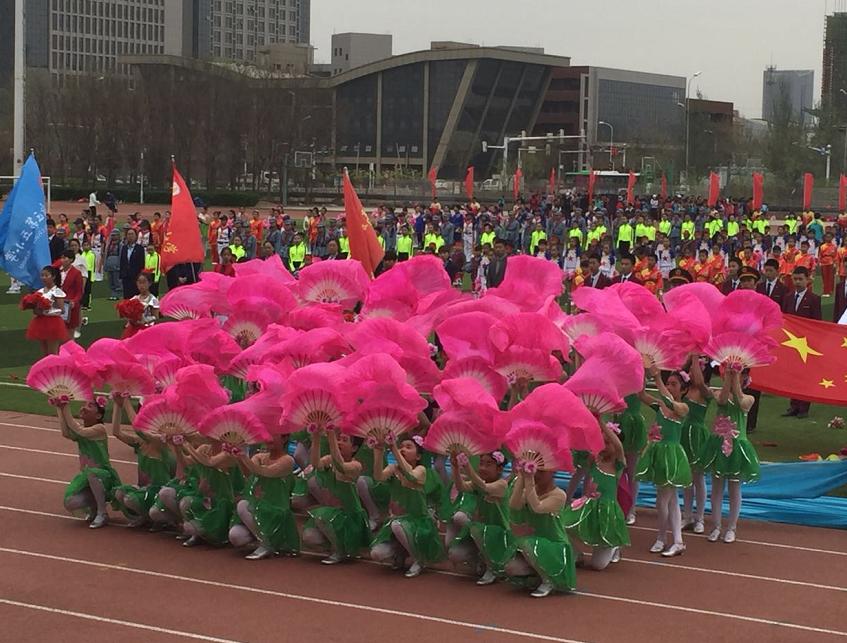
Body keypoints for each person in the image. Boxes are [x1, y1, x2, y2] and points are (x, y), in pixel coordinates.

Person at [370, 437, 445, 578]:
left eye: (409, 447)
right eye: (401, 446)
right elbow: (378, 476)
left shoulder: (421, 470)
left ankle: (419, 559)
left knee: (398, 525)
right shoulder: (393, 468)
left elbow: (411, 476)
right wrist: (378, 451)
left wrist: (393, 448)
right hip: (398, 522)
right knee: (376, 553)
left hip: (418, 522)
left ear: (418, 456)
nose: (403, 449)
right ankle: (401, 551)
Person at [700, 369, 760, 544]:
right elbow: (723, 399)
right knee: (717, 487)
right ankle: (716, 526)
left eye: (740, 376)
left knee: (734, 487)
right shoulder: (719, 392)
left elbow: (741, 403)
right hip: (718, 443)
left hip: (737, 445)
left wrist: (735, 379)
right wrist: (729, 377)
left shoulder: (749, 398)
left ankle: (731, 527)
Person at [637, 367, 691, 557]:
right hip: (659, 453)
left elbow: (670, 401)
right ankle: (677, 541)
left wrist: (658, 377)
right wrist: (640, 372)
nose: (670, 387)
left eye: (674, 384)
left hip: (672, 456)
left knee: (663, 501)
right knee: (671, 499)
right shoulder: (661, 405)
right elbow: (641, 394)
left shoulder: (683, 408)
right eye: (669, 383)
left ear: (683, 390)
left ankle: (662, 538)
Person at [563, 421, 629, 571]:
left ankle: (613, 544)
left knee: (598, 566)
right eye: (602, 442)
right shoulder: (594, 460)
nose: (604, 446)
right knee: (561, 524)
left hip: (607, 511)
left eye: (607, 443)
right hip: (589, 506)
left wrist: (602, 425)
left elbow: (618, 446)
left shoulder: (617, 465)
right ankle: (576, 554)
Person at [301, 429, 371, 564]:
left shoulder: (356, 465)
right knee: (309, 537)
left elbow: (341, 467)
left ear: (354, 447)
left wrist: (332, 435)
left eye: (345, 440)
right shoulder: (329, 459)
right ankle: (337, 547)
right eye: (339, 439)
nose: (339, 442)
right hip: (333, 514)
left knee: (323, 515)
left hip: (349, 516)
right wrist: (316, 437)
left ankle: (342, 551)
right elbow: (316, 464)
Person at [505, 466, 575, 597]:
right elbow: (513, 505)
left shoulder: (559, 495)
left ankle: (548, 581)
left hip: (554, 545)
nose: (536, 474)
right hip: (533, 543)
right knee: (511, 568)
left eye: (541, 471)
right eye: (535, 470)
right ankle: (538, 574)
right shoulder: (530, 490)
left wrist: (529, 479)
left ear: (553, 472)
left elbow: (537, 507)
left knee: (528, 543)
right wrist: (521, 476)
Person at [229, 435, 300, 560]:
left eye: (273, 435)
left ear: (284, 439)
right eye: (267, 435)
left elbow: (266, 472)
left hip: (274, 511)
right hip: (257, 510)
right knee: (236, 536)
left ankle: (267, 544)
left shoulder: (288, 460)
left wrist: (244, 457)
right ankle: (263, 539)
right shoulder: (259, 457)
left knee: (243, 505)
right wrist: (240, 458)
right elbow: (250, 473)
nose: (269, 439)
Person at [446, 451, 510, 584]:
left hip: (499, 534)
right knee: (455, 553)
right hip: (482, 531)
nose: (483, 468)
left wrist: (467, 466)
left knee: (477, 530)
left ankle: (493, 567)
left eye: (488, 464)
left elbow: (484, 487)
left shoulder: (501, 485)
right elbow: (461, 487)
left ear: (499, 469)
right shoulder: (478, 482)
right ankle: (481, 560)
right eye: (481, 464)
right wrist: (456, 468)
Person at [57, 398, 120, 529]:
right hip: (88, 477)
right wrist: (59, 408)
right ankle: (94, 505)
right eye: (84, 405)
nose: (84, 407)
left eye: (90, 406)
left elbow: (80, 431)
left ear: (98, 415)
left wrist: (66, 407)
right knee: (70, 503)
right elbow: (66, 432)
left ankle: (102, 512)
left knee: (93, 473)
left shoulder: (99, 429)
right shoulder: (84, 430)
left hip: (103, 476)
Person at [111, 398, 174, 527]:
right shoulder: (140, 443)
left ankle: (162, 518)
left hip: (159, 491)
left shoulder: (161, 442)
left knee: (131, 499)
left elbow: (138, 428)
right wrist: (118, 405)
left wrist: (126, 401)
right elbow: (116, 432)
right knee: (120, 493)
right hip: (144, 490)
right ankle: (145, 517)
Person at [180, 439, 241, 547]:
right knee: (185, 502)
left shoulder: (229, 454)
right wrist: (176, 447)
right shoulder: (204, 448)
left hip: (223, 502)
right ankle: (198, 535)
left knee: (191, 527)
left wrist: (185, 444)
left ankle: (213, 535)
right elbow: (186, 461)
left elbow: (210, 462)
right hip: (206, 499)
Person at [781, 267, 821, 419]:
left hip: (807, 345)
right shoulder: (788, 297)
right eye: (795, 279)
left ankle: (804, 407)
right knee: (793, 375)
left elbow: (817, 324)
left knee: (805, 375)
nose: (797, 282)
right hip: (791, 343)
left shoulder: (814, 299)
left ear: (807, 280)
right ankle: (793, 405)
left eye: (800, 279)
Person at [680, 358, 712, 534]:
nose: (691, 373)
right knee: (686, 478)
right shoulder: (685, 389)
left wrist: (695, 356)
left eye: (695, 370)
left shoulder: (706, 391)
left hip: (698, 435)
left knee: (698, 478)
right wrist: (690, 358)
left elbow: (699, 381)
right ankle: (687, 515)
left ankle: (699, 518)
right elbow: (677, 374)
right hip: (684, 433)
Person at [25, 265, 68, 355]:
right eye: (42, 275)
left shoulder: (57, 292)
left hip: (53, 323)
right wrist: (36, 310)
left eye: (46, 275)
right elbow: (35, 308)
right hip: (41, 322)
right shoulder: (39, 292)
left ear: (53, 277)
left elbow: (62, 310)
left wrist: (47, 310)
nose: (43, 278)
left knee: (53, 352)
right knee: (45, 352)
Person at [121, 272, 159, 339]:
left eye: (144, 282)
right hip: (134, 328)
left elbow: (156, 317)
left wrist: (145, 320)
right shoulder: (134, 299)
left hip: (147, 329)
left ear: (149, 283)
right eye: (139, 282)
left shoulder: (153, 300)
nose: (141, 285)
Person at [59, 249, 84, 340]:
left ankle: (71, 352)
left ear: (71, 260)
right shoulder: (58, 272)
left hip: (70, 305)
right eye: (61, 258)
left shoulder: (76, 273)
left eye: (65, 258)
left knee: (70, 333)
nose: (62, 260)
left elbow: (79, 291)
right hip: (59, 304)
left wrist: (74, 301)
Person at [119, 228, 145, 298]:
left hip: (135, 277)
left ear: (136, 236)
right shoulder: (124, 248)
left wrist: (140, 276)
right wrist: (122, 274)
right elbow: (122, 261)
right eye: (128, 234)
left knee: (136, 297)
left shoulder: (140, 248)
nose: (130, 236)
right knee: (127, 297)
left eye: (132, 234)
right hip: (126, 277)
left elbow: (142, 263)